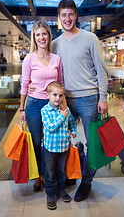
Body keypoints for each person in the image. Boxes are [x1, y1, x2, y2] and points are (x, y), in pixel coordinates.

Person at [28, 0, 108, 201]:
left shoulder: (90, 38)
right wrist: (33, 85)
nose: (67, 18)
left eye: (71, 14)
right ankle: (66, 177)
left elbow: (101, 70)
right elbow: (47, 68)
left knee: (92, 144)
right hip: (63, 101)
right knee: (61, 140)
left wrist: (103, 97)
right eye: (63, 15)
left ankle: (87, 182)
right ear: (58, 18)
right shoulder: (55, 43)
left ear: (76, 15)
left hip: (89, 98)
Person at [20, 21, 64, 192]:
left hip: (53, 105)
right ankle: (39, 176)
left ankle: (51, 175)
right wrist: (22, 108)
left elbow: (60, 83)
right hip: (34, 105)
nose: (41, 37)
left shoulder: (56, 59)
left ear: (49, 35)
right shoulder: (29, 59)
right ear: (34, 37)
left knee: (51, 142)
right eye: (37, 34)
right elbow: (24, 84)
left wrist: (63, 106)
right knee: (37, 142)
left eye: (44, 34)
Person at [41, 81, 77, 210]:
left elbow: (72, 122)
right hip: (50, 149)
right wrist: (62, 116)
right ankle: (50, 194)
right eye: (55, 95)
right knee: (50, 172)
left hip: (64, 148)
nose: (58, 98)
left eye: (61, 95)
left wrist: (73, 132)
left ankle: (61, 189)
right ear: (48, 95)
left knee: (62, 170)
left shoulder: (66, 109)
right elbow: (50, 127)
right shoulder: (45, 110)